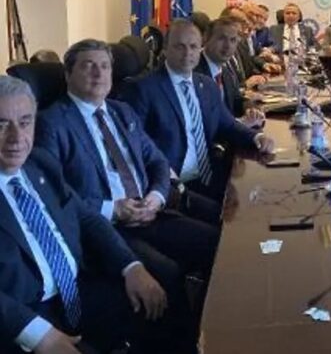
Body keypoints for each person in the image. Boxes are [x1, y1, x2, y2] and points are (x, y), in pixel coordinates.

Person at [34, 39, 219, 344]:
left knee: (215, 243)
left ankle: (214, 330)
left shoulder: (122, 112)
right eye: (88, 66)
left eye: (105, 66)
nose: (99, 73)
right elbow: (55, 195)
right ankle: (180, 344)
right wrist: (113, 208)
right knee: (167, 273)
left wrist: (156, 197)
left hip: (150, 212)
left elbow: (157, 161)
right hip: (105, 228)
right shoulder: (52, 123)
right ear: (68, 74)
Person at [0, 75, 191, 354]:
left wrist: (131, 266)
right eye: (2, 124)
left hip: (78, 289)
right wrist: (36, 333)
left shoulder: (40, 163)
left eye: (25, 122)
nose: (17, 138)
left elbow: (86, 217)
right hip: (23, 314)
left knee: (164, 305)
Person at [122, 19, 275, 205]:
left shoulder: (206, 84)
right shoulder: (143, 89)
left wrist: (256, 137)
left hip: (210, 175)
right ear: (165, 49)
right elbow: (136, 145)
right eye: (180, 46)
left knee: (261, 196)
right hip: (175, 185)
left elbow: (227, 124)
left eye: (193, 47)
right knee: (234, 215)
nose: (188, 53)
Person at [196, 17, 267, 126]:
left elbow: (237, 100)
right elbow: (205, 121)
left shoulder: (224, 71)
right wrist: (240, 123)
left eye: (233, 40)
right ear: (205, 38)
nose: (228, 46)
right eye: (222, 39)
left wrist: (251, 109)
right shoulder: (194, 71)